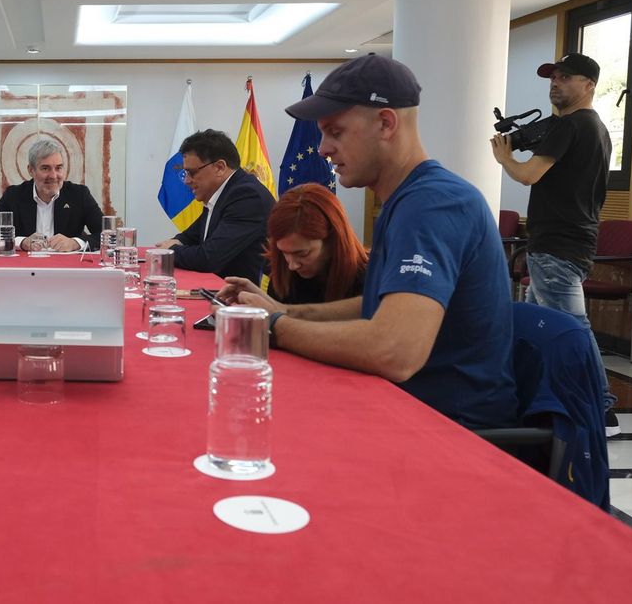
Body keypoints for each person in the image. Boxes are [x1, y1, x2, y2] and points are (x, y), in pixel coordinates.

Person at [220, 54, 518, 429]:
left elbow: (394, 350)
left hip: (446, 429)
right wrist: (282, 310)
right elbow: (382, 304)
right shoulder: (409, 200)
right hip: (407, 409)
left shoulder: (433, 203)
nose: (324, 148)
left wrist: (272, 328)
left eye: (336, 131)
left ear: (386, 123)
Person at [490, 53, 617, 436]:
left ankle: (604, 407)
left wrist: (504, 157)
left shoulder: (570, 125)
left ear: (589, 85)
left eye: (566, 77)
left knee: (574, 329)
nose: (555, 83)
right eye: (553, 77)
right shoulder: (597, 128)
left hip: (557, 246)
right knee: (534, 327)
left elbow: (529, 175)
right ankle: (532, 395)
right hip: (573, 243)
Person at [154, 129, 273, 280]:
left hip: (239, 298)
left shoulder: (247, 196)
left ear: (219, 168)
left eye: (192, 172)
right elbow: (191, 236)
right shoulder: (222, 193)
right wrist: (177, 242)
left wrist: (170, 251)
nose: (186, 180)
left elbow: (209, 258)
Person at [0, 139, 102, 252]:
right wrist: (21, 242)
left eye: (58, 168)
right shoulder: (13, 196)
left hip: (66, 267)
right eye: (45, 168)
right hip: (25, 267)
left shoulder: (79, 195)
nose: (53, 175)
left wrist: (75, 243)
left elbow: (105, 234)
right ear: (31, 171)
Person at [265, 183, 367, 305]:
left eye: (303, 254)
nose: (292, 265)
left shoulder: (368, 279)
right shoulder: (283, 272)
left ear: (332, 240)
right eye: (284, 253)